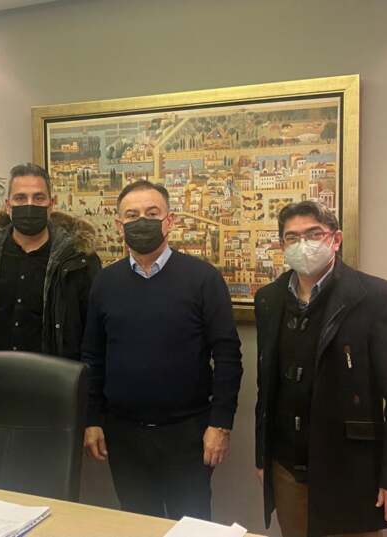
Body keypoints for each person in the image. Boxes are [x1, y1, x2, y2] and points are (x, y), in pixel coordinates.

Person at [254, 201, 387, 537]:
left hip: (350, 468)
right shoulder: (269, 299)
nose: (303, 244)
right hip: (287, 468)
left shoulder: (373, 296)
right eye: (292, 237)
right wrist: (263, 457)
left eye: (314, 234)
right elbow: (267, 385)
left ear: (336, 239)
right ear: (282, 245)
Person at [82, 180, 243, 520]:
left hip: (188, 433)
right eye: (132, 215)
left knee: (191, 524)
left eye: (152, 213)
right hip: (124, 435)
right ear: (119, 225)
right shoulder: (105, 282)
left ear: (169, 221)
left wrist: (220, 424)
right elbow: (93, 357)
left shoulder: (202, 279)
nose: (142, 221)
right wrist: (92, 419)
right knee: (137, 523)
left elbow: (227, 355)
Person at [0, 163, 100, 417]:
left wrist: (91, 412)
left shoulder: (79, 261)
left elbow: (93, 338)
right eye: (20, 198)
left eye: (38, 197)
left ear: (52, 204)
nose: (29, 204)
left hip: (55, 398)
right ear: (8, 205)